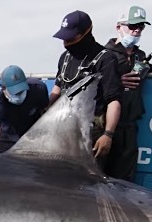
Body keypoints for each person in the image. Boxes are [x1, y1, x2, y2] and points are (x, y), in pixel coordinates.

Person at [104, 6, 152, 181]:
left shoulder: (140, 55)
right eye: (132, 25)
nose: (136, 30)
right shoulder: (104, 54)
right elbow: (92, 83)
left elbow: (146, 74)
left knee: (125, 179)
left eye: (141, 26)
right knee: (100, 175)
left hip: (130, 125)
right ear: (118, 27)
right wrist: (117, 81)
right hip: (105, 125)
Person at [51, 10, 123, 169]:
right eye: (64, 38)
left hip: (90, 133)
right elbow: (57, 89)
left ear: (86, 32)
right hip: (63, 130)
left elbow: (113, 100)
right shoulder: (65, 57)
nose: (67, 42)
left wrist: (108, 135)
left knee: (87, 182)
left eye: (71, 38)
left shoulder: (105, 58)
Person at [0, 65, 50, 155]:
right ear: (3, 89)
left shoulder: (39, 89)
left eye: (21, 91)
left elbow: (46, 112)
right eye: (15, 92)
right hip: (6, 143)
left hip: (31, 141)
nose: (19, 94)